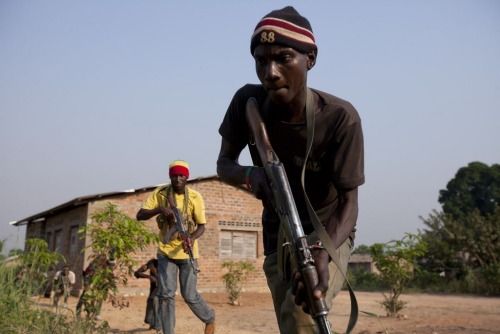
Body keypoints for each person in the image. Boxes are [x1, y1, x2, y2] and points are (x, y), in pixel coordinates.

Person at [216, 6, 365, 334]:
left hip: (329, 231)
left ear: (309, 58)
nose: (270, 72)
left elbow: (349, 205)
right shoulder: (247, 103)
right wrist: (251, 176)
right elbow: (224, 164)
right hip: (277, 234)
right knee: (292, 325)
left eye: (283, 58)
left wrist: (323, 251)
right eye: (261, 60)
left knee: (302, 316)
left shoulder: (340, 119)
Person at [136, 160, 216, 334]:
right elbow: (140, 215)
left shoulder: (195, 197)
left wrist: (192, 238)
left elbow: (202, 226)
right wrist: (160, 209)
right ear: (170, 177)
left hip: (188, 254)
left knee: (189, 295)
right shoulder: (161, 193)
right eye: (174, 175)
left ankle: (209, 318)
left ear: (187, 177)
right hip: (166, 254)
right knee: (166, 295)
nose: (178, 179)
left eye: (181, 175)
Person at [76, 253, 115, 321]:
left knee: (99, 298)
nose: (103, 261)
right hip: (90, 282)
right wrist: (87, 285)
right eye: (101, 259)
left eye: (104, 260)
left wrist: (112, 256)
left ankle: (97, 314)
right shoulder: (93, 265)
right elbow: (86, 274)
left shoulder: (106, 267)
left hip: (99, 284)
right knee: (84, 297)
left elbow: (112, 267)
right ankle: (78, 313)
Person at [134, 258, 161, 332]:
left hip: (162, 292)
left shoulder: (169, 265)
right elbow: (137, 273)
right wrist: (149, 277)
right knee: (148, 319)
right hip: (153, 291)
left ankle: (157, 328)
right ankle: (153, 326)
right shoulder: (152, 263)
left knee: (156, 301)